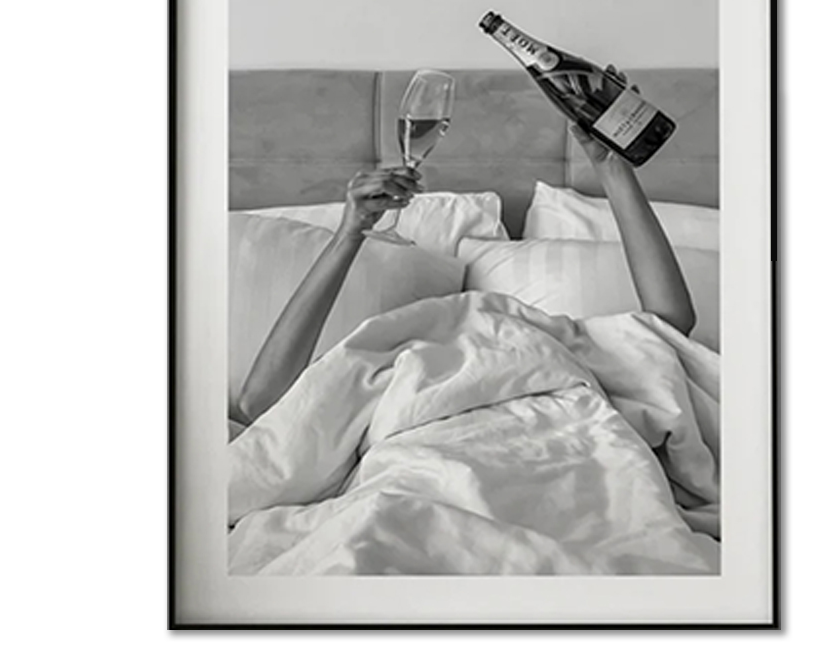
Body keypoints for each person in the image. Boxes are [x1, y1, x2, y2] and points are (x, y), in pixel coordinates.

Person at [236, 71, 695, 426]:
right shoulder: (385, 361)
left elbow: (668, 329)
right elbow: (261, 401)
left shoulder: (564, 347)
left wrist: (613, 169)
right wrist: (348, 234)